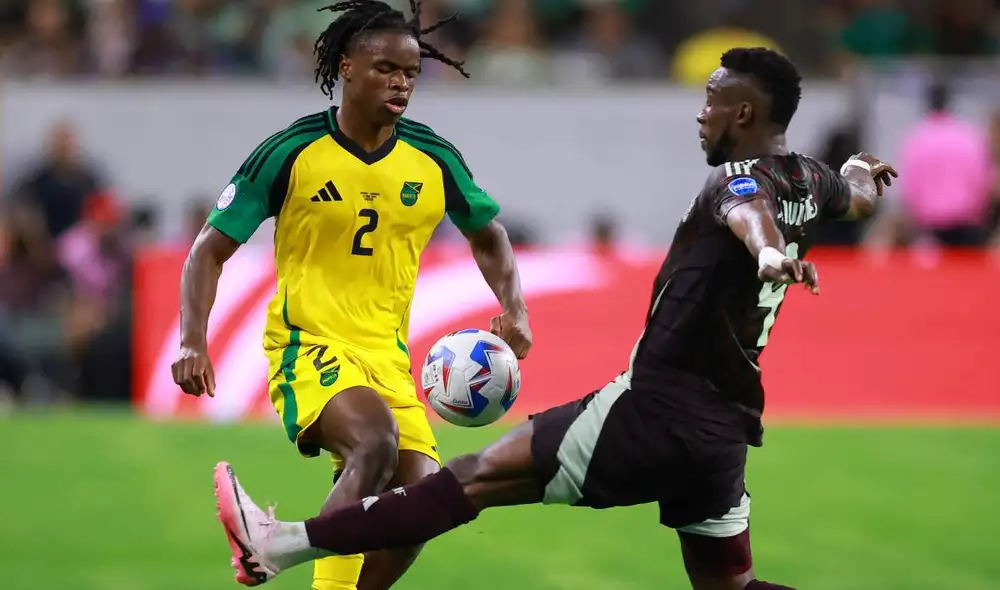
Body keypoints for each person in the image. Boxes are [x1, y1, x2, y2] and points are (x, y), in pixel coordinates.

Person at [212, 47, 897, 589]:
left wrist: (771, 255)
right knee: (732, 587)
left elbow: (748, 217)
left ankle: (280, 545)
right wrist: (860, 168)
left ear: (744, 115)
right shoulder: (814, 179)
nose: (701, 114)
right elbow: (858, 197)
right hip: (725, 432)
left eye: (712, 101)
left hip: (653, 407)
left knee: (472, 478)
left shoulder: (735, 180)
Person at [170, 2, 532, 590]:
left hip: (386, 358)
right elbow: (207, 251)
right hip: (308, 344)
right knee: (374, 444)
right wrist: (192, 339)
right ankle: (277, 552)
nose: (401, 83)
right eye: (385, 68)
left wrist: (515, 307)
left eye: (411, 73)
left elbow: (488, 233)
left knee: (419, 510)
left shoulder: (432, 157)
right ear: (346, 68)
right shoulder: (292, 151)